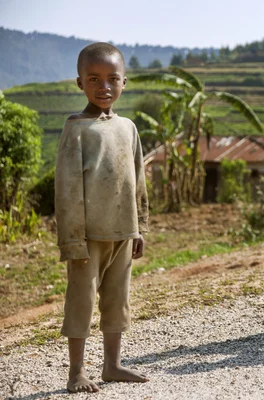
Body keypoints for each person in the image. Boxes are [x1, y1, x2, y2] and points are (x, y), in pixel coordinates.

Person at [54, 42, 150, 393]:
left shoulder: (128, 128)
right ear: (80, 83)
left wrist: (139, 227)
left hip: (123, 232)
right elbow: (67, 189)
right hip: (88, 236)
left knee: (117, 300)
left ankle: (112, 365)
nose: (104, 87)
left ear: (125, 82)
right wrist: (72, 239)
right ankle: (76, 371)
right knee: (81, 300)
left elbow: (138, 180)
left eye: (112, 79)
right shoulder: (76, 129)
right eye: (93, 79)